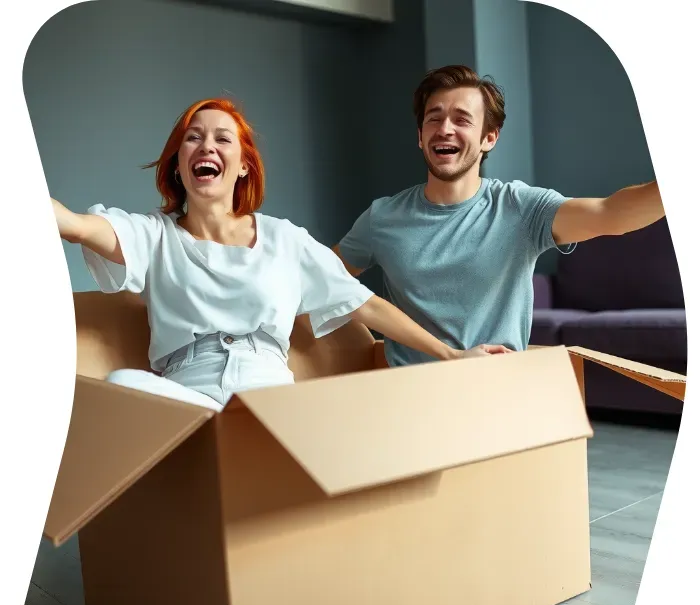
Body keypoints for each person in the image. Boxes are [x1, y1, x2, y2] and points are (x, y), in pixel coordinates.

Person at [52, 98, 509, 412]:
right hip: (186, 401)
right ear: (177, 162)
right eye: (193, 138)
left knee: (342, 415)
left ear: (244, 164)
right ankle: (217, 452)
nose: (206, 146)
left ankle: (250, 450)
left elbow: (364, 303)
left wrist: (451, 355)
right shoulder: (153, 234)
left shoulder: (285, 240)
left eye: (222, 139)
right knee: (120, 387)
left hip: (267, 394)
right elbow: (75, 225)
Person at [333, 65, 666, 369]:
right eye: (434, 118)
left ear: (488, 138)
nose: (445, 128)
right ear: (420, 136)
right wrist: (357, 339)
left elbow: (612, 214)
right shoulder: (382, 218)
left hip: (495, 390)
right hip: (411, 395)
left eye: (462, 120)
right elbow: (322, 281)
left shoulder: (521, 208)